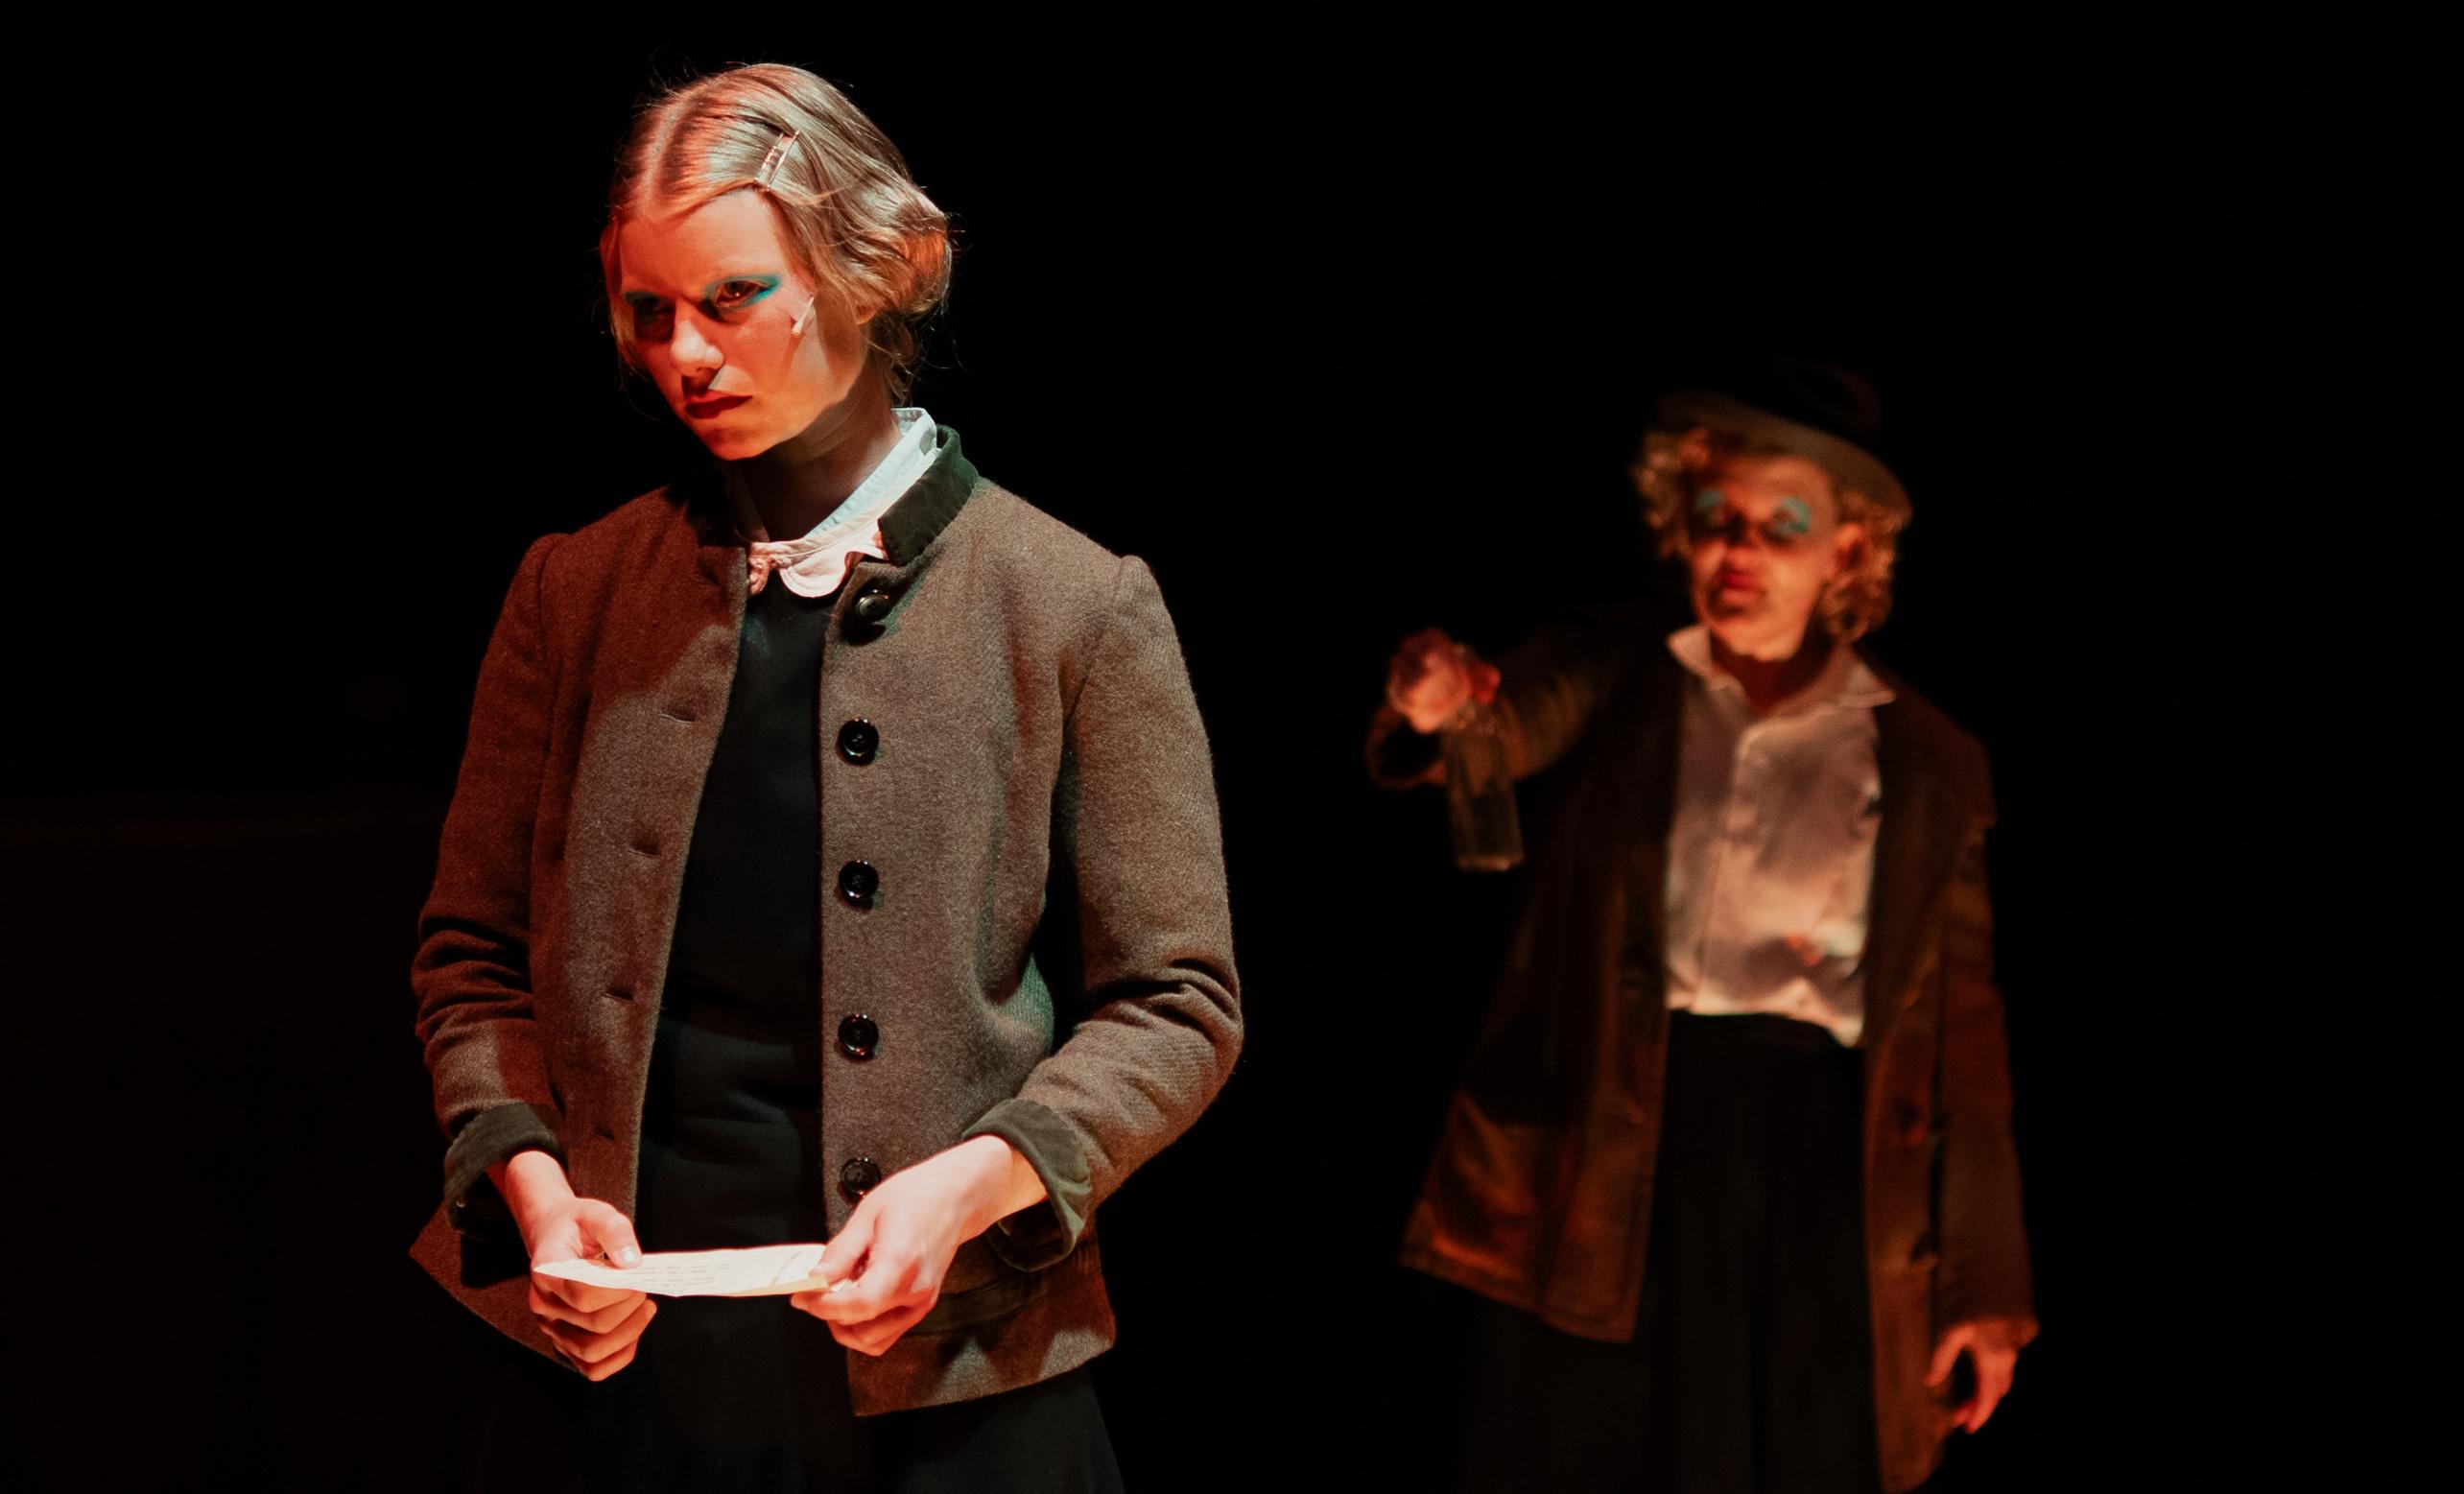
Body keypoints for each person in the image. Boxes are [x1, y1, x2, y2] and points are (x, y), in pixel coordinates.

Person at [406, 62, 1240, 1492]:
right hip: (614, 1354)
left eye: (733, 297)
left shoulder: (1071, 602)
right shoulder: (574, 589)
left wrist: (977, 1183)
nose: (685, 354)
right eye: (648, 312)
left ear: (881, 268)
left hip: (949, 1367)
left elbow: (1179, 1002)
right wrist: (535, 1188)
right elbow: (472, 957)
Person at [1367, 368, 2035, 1493]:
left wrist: (1986, 1286)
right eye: (1719, 514)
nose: (1741, 547)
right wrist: (1441, 704)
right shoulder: (1626, 675)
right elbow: (1505, 719)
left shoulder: (1924, 759)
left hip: (1819, 1169)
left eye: (1784, 524)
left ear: (1848, 552)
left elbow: (1963, 1043)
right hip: (1622, 1144)